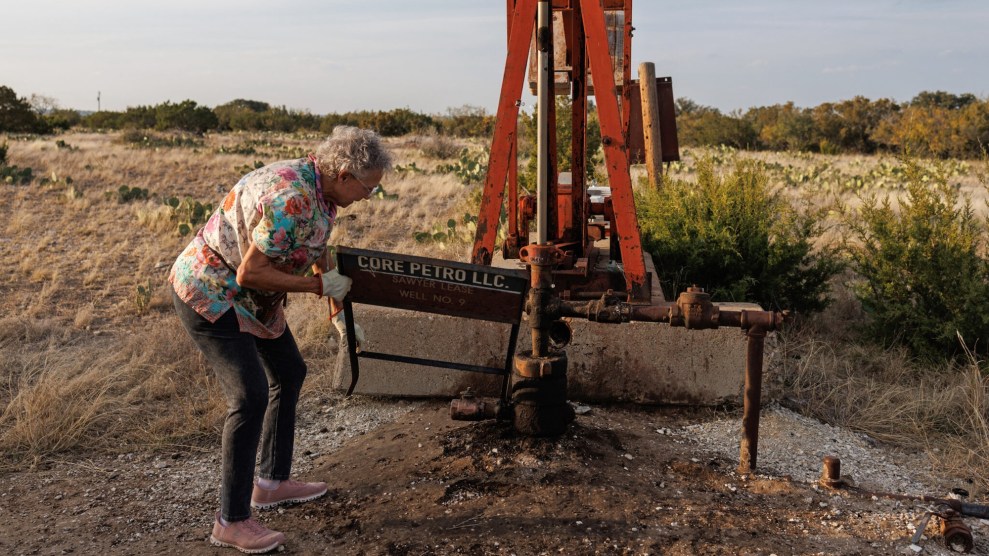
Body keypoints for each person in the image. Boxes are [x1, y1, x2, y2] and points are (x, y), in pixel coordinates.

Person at [169, 126, 392, 553]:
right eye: (368, 188)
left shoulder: (323, 191)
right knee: (249, 396)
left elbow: (316, 244)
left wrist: (338, 315)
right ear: (344, 174)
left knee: (290, 371)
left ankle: (271, 482)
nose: (369, 196)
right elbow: (248, 273)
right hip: (211, 292)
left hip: (253, 300)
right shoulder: (293, 197)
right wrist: (318, 288)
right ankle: (230, 521)